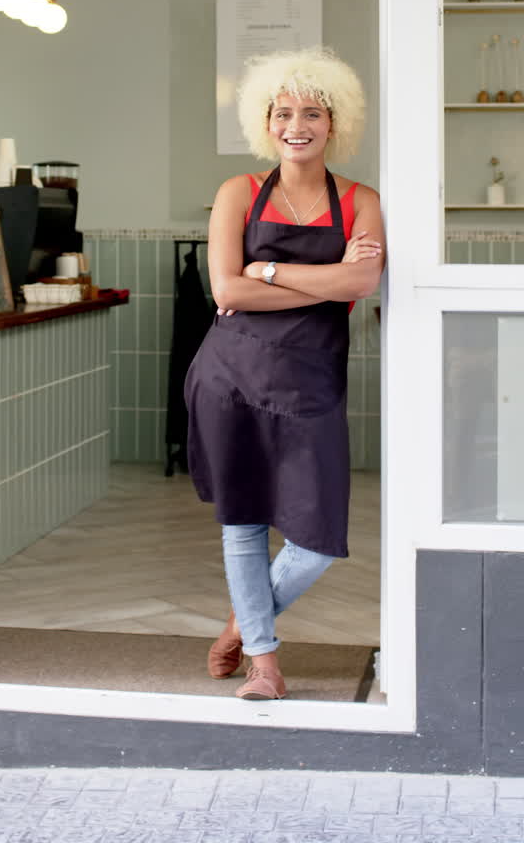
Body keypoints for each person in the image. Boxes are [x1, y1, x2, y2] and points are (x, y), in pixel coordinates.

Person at [184, 47, 385, 701]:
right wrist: (324, 284)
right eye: (284, 111)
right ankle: (265, 665)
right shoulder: (237, 193)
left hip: (311, 384)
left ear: (335, 123)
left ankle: (244, 623)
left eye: (314, 112)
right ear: (265, 121)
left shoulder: (360, 201)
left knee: (319, 535)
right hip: (231, 377)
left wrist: (266, 271)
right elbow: (226, 290)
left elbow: (363, 279)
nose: (297, 123)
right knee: (243, 522)